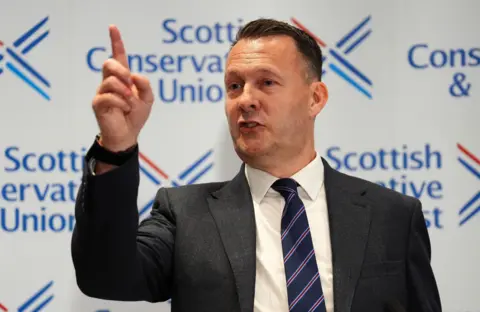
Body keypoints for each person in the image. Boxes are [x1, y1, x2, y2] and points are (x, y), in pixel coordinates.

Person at [71, 18, 442, 312]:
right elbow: (104, 276)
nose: (246, 100)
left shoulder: (392, 215)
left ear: (316, 98)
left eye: (266, 82)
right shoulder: (185, 215)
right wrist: (117, 147)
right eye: (234, 86)